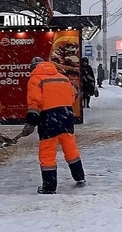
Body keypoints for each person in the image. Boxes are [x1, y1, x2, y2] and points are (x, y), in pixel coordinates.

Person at [21, 56, 86, 194]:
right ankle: (79, 177)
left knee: (47, 153)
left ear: (33, 68)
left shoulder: (35, 79)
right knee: (71, 149)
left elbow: (34, 103)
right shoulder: (62, 77)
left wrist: (31, 122)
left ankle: (49, 187)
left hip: (48, 119)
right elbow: (74, 95)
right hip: (66, 117)